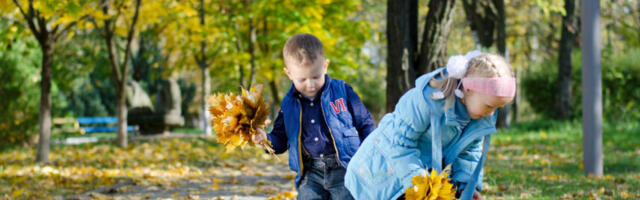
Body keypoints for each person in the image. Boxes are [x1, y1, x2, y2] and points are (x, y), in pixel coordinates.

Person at [344, 51, 516, 200]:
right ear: (469, 89)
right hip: (378, 173)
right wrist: (422, 184)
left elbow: (469, 155)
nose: (492, 113)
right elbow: (398, 144)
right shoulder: (426, 100)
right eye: (489, 106)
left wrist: (466, 187)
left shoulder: (478, 118)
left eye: (497, 108)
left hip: (416, 179)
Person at [253, 33, 376, 200]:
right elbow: (280, 139)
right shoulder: (289, 104)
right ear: (289, 73)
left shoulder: (342, 91)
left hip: (345, 168)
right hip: (311, 172)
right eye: (302, 79)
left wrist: (370, 155)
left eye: (316, 77)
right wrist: (265, 140)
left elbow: (365, 123)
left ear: (325, 66)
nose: (310, 85)